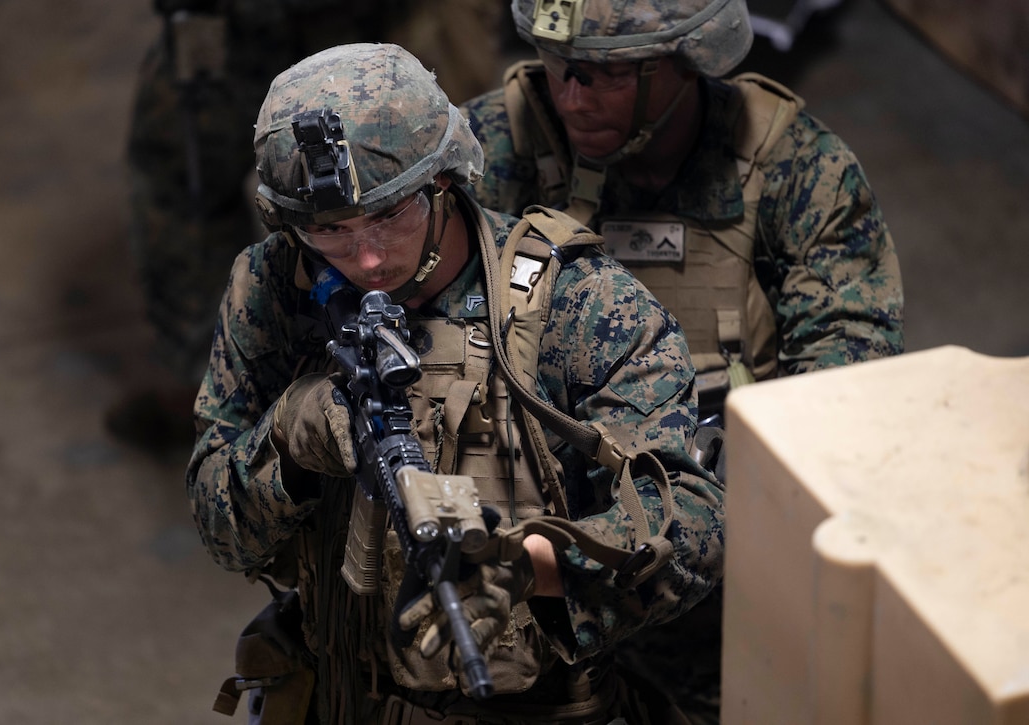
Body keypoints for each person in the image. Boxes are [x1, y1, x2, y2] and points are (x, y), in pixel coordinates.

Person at [187, 42, 726, 724]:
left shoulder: (574, 305)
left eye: (390, 214)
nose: (369, 257)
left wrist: (532, 564)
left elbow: (696, 525)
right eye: (330, 231)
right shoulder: (271, 288)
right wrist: (288, 440)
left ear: (445, 179)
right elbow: (218, 527)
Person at [458, 1, 906, 721]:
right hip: (525, 576)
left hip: (716, 581)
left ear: (685, 56)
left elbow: (853, 382)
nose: (570, 95)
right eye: (557, 63)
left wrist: (740, 473)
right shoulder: (490, 149)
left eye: (604, 74)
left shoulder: (792, 168)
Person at [110, 0, 510, 452]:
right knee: (183, 178)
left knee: (424, 173)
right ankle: (216, 382)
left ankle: (470, 371)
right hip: (238, 22)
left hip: (391, 16)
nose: (366, 253)